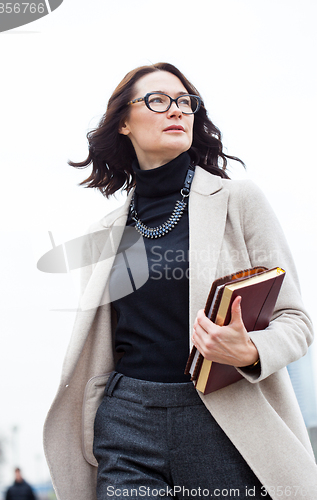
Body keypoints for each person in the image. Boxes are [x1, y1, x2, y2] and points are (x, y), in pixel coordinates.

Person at [43, 63, 317, 499]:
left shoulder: (238, 200)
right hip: (126, 421)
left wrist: (248, 351)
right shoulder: (106, 231)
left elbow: (296, 319)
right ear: (125, 123)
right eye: (158, 100)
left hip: (223, 418)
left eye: (185, 102)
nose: (177, 110)